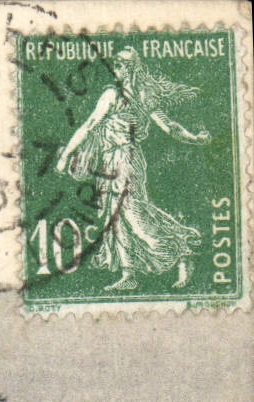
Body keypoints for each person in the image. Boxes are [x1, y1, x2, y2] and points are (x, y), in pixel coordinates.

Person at [55, 47, 211, 290]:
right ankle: (129, 274)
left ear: (129, 69)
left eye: (119, 65)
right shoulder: (125, 95)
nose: (115, 69)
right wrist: (195, 138)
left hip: (125, 160)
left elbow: (167, 126)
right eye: (115, 65)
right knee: (114, 217)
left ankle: (182, 251)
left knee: (133, 214)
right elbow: (91, 126)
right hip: (111, 161)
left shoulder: (119, 95)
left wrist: (65, 156)